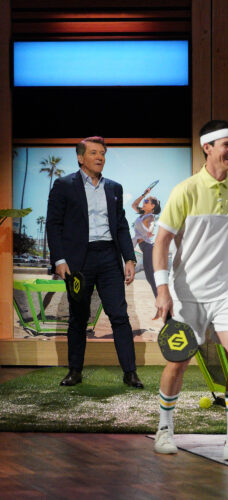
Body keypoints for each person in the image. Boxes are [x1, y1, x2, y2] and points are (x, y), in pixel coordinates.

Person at [151, 120, 228, 461]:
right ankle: (164, 429)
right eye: (227, 145)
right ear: (208, 148)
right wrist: (162, 289)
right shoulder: (185, 190)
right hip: (186, 293)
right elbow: (161, 242)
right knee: (178, 363)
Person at [46, 136, 143, 389]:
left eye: (102, 153)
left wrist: (129, 258)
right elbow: (53, 225)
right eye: (93, 153)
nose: (100, 157)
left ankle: (130, 372)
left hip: (109, 258)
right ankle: (75, 371)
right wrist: (59, 259)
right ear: (81, 158)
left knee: (119, 315)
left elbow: (121, 226)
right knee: (78, 317)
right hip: (79, 261)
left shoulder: (114, 188)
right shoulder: (64, 185)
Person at [131, 189, 161, 296]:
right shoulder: (142, 213)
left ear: (152, 206)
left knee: (151, 277)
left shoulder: (150, 216)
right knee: (150, 276)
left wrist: (150, 231)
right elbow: (134, 205)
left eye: (147, 201)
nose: (144, 202)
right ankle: (161, 300)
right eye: (145, 200)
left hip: (148, 247)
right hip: (144, 247)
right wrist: (144, 195)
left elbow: (152, 224)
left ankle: (160, 300)